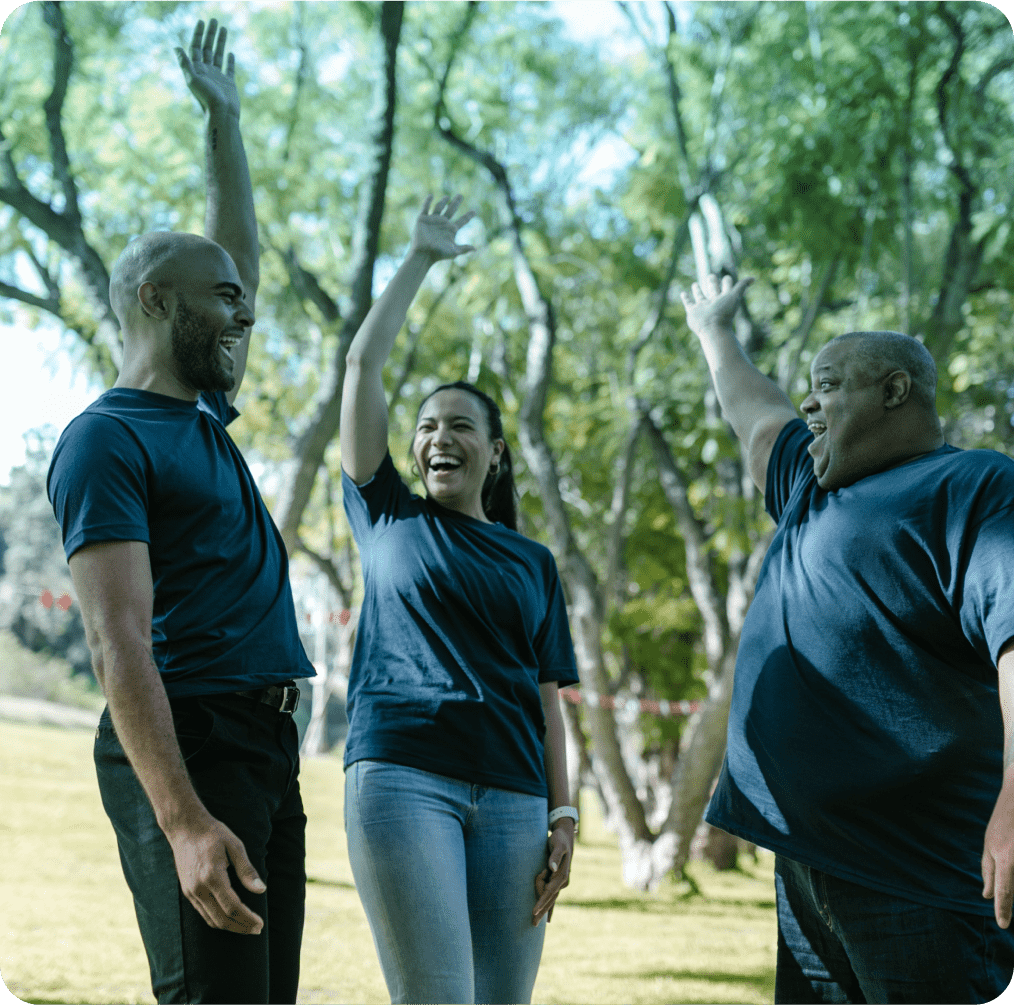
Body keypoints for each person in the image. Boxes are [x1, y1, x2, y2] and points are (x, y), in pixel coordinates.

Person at [46, 21, 314, 1005]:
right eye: (226, 302)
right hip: (189, 743)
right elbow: (119, 642)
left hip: (263, 744)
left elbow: (229, 248)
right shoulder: (106, 440)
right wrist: (185, 821)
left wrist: (226, 122)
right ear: (159, 302)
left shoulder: (201, 414)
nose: (245, 315)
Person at [681, 272, 1014, 1004]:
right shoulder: (810, 484)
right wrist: (713, 330)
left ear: (895, 391)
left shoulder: (975, 486)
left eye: (828, 383)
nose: (808, 401)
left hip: (914, 875)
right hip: (806, 860)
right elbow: (756, 412)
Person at [339, 195, 580, 1005]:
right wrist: (418, 259)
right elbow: (361, 367)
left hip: (516, 799)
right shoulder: (386, 512)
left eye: (460, 425)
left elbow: (548, 698)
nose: (440, 436)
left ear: (496, 452)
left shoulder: (533, 561)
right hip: (405, 777)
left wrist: (566, 813)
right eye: (427, 425)